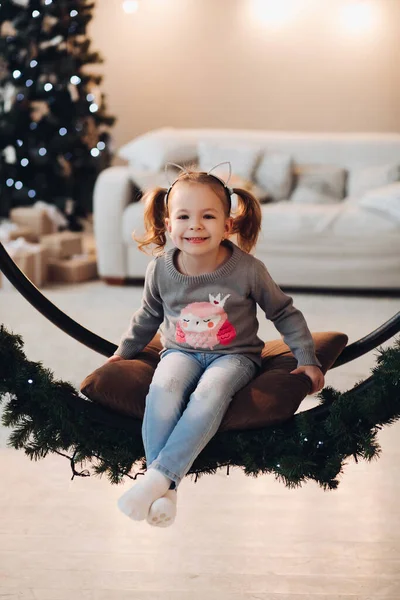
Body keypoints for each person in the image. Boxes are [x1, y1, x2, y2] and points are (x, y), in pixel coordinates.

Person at [107, 163, 325, 528]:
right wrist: (123, 354)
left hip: (235, 357)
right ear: (167, 224)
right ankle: (167, 488)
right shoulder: (160, 269)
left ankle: (154, 479)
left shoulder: (247, 269)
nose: (195, 225)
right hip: (179, 350)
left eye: (208, 216)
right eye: (184, 216)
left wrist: (306, 356)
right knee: (163, 389)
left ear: (227, 225)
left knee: (209, 393)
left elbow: (283, 311)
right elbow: (147, 316)